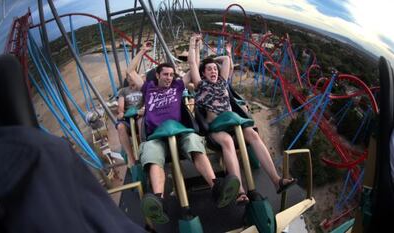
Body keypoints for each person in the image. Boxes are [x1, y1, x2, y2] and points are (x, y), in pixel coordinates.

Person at [0, 18, 146, 233]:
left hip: (146, 117)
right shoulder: (38, 154)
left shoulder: (35, 154)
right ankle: (134, 162)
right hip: (128, 120)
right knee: (124, 127)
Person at [128, 56, 240, 224]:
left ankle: (216, 186)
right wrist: (142, 51)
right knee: (151, 153)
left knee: (194, 142)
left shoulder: (178, 86)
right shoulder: (148, 88)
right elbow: (130, 71)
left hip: (179, 132)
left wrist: (194, 45)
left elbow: (192, 65)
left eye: (171, 75)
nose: (169, 78)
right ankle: (159, 200)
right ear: (157, 76)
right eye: (165, 74)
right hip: (156, 136)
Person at [188, 34, 297, 205]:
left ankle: (277, 180)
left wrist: (226, 53)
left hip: (234, 121)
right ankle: (239, 191)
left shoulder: (223, 82)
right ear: (202, 73)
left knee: (253, 135)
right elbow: (193, 63)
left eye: (215, 69)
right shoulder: (201, 85)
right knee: (228, 142)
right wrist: (193, 43)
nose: (214, 71)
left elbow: (226, 61)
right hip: (217, 127)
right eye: (209, 69)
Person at [116, 44, 149, 167]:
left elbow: (147, 99)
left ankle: (143, 149)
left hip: (140, 114)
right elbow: (120, 105)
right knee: (120, 127)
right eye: (129, 78)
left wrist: (144, 108)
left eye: (133, 78)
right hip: (128, 117)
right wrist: (120, 112)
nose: (131, 80)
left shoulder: (142, 88)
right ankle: (130, 157)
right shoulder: (124, 91)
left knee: (141, 122)